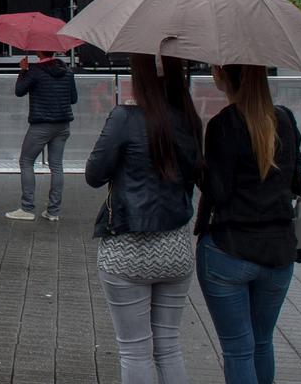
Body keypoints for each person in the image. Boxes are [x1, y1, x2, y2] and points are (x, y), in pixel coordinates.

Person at [85, 55, 202, 384]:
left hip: (127, 250)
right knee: (168, 347)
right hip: (177, 249)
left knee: (134, 350)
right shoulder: (190, 120)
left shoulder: (125, 116)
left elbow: (94, 175)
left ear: (140, 78)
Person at [195, 64, 301, 384]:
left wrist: (201, 166)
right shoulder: (285, 119)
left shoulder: (223, 125)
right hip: (279, 252)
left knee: (237, 350)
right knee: (261, 343)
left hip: (229, 250)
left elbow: (219, 191)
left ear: (224, 75)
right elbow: (298, 183)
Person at [7, 51, 78, 221]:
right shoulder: (67, 71)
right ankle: (53, 211)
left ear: (39, 51)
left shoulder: (35, 71)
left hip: (41, 124)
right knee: (56, 166)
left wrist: (23, 70)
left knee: (26, 162)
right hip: (63, 125)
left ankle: (27, 208)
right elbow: (73, 99)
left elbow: (19, 91)